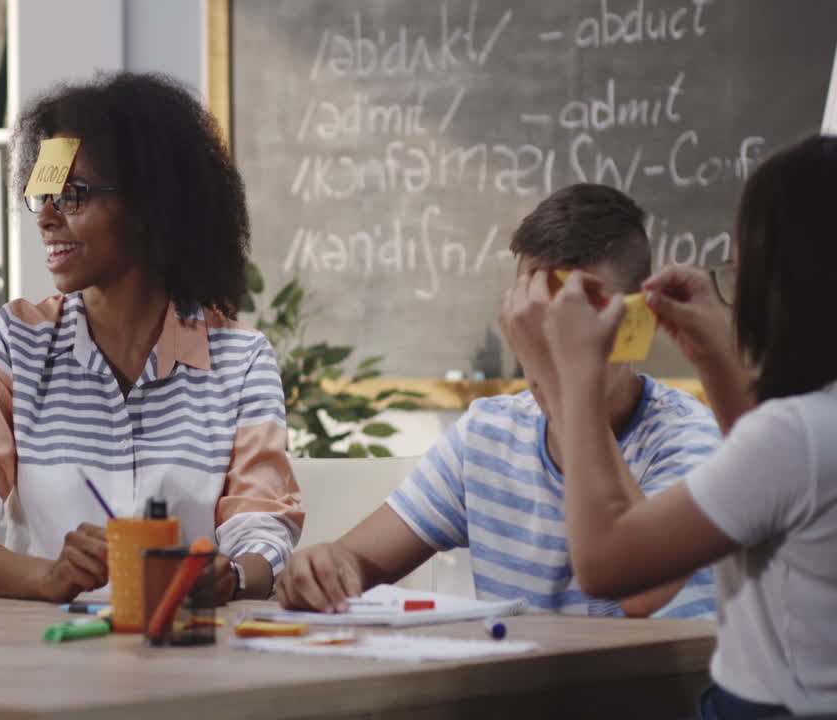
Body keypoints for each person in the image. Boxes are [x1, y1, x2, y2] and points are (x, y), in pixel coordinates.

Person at [0, 72, 303, 603]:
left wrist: (230, 575)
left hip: (188, 656)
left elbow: (263, 531)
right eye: (40, 196)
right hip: (47, 667)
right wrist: (46, 578)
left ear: (149, 206)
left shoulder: (241, 361)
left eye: (72, 197)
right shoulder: (7, 348)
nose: (47, 218)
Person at [276, 183, 719, 619]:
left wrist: (558, 387)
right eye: (538, 317)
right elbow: (357, 560)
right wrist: (325, 568)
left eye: (574, 319)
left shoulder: (689, 439)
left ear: (634, 327)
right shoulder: (489, 433)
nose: (553, 340)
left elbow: (641, 592)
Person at [509, 136, 837, 717]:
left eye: (743, 270)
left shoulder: (801, 431)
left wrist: (569, 378)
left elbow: (608, 565)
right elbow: (772, 489)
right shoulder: (809, 428)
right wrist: (715, 358)